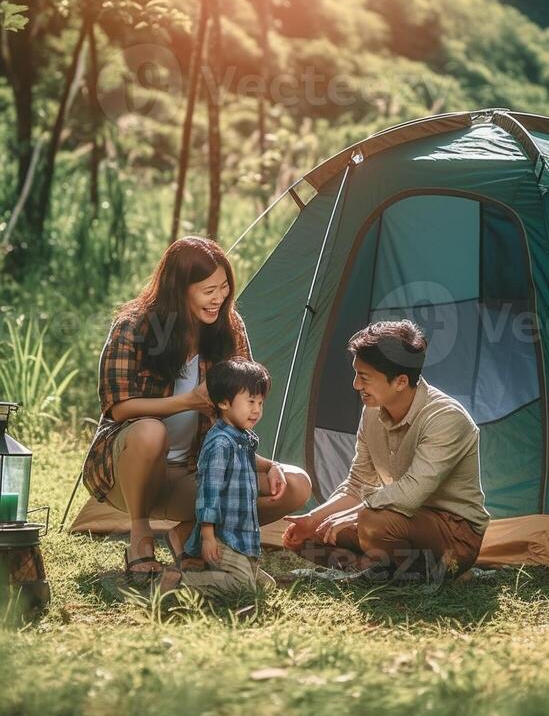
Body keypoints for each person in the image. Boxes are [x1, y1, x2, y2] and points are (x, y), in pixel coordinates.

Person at [82, 236, 311, 579]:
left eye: (224, 287)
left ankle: (188, 533)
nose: (219, 298)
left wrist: (270, 464)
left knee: (295, 483)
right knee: (149, 430)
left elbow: (238, 418)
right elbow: (118, 408)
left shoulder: (229, 328)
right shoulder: (135, 326)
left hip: (196, 472)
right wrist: (188, 401)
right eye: (208, 290)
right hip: (130, 472)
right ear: (179, 289)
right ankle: (140, 533)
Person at [283, 320, 490, 584]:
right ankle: (381, 571)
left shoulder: (446, 418)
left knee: (372, 522)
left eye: (365, 377)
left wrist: (353, 517)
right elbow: (358, 483)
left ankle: (437, 570)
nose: (356, 385)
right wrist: (314, 518)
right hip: (397, 518)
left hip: (453, 532)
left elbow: (411, 493)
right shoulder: (371, 411)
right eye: (356, 374)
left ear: (401, 381)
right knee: (306, 535)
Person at [159, 358, 276, 597]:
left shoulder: (242, 438)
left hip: (241, 537)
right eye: (251, 402)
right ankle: (182, 582)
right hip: (223, 537)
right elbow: (209, 494)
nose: (257, 410)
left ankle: (201, 573)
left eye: (261, 403)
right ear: (223, 402)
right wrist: (208, 536)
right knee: (243, 588)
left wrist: (272, 467)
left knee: (265, 587)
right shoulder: (220, 444)